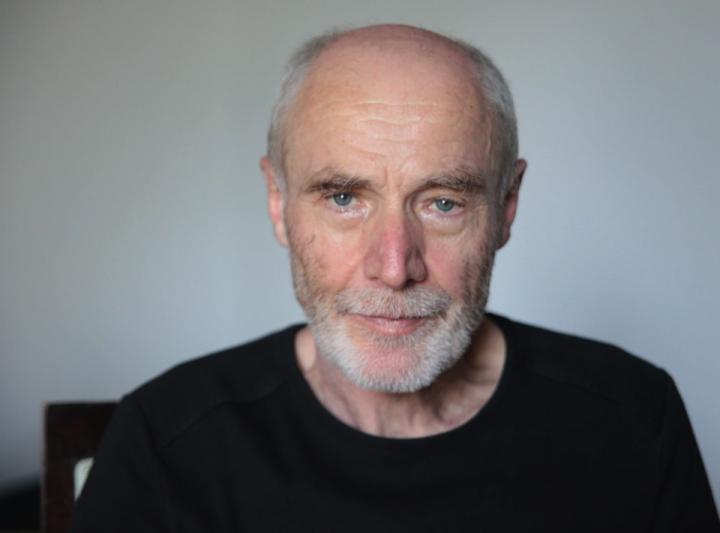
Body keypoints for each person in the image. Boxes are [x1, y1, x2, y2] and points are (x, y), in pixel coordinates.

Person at [71, 24, 719, 532]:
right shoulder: (166, 440)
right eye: (343, 198)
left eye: (443, 202)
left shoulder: (634, 420)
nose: (393, 266)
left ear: (506, 206)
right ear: (277, 202)